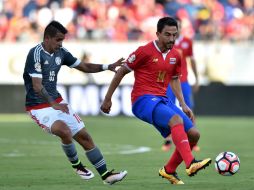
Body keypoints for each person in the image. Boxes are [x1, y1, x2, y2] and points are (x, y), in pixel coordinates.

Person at [100, 17, 211, 185]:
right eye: (167, 35)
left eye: (175, 35)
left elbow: (174, 79)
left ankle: (169, 170)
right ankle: (190, 163)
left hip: (163, 100)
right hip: (142, 100)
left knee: (194, 134)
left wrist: (183, 103)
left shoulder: (176, 55)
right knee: (176, 120)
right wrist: (108, 98)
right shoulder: (144, 51)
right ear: (158, 34)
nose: (172, 39)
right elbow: (121, 72)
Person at [23, 20, 127, 185]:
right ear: (47, 38)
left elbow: (84, 66)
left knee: (84, 137)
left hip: (57, 101)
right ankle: (78, 166)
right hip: (38, 106)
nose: (60, 44)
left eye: (62, 40)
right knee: (64, 130)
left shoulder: (61, 52)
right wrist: (53, 103)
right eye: (58, 40)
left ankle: (106, 175)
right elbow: (37, 86)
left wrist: (108, 66)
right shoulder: (35, 54)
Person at [162, 17, 200, 152]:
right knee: (168, 109)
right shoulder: (166, 42)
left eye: (178, 26)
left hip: (183, 80)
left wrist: (197, 78)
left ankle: (193, 139)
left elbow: (192, 60)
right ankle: (168, 139)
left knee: (188, 108)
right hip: (168, 81)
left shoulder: (187, 42)